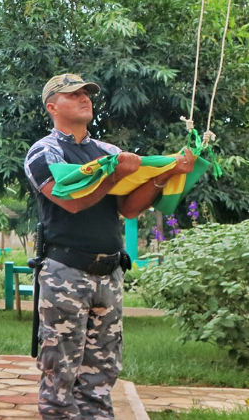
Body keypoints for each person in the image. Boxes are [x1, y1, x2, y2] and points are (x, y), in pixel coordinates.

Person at [24, 73, 196, 420]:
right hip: (65, 273)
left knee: (101, 379)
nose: (84, 98)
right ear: (52, 106)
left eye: (86, 93)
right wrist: (113, 176)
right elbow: (71, 201)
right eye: (73, 94)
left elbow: (129, 209)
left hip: (110, 273)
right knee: (60, 377)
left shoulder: (108, 152)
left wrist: (164, 174)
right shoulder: (45, 152)